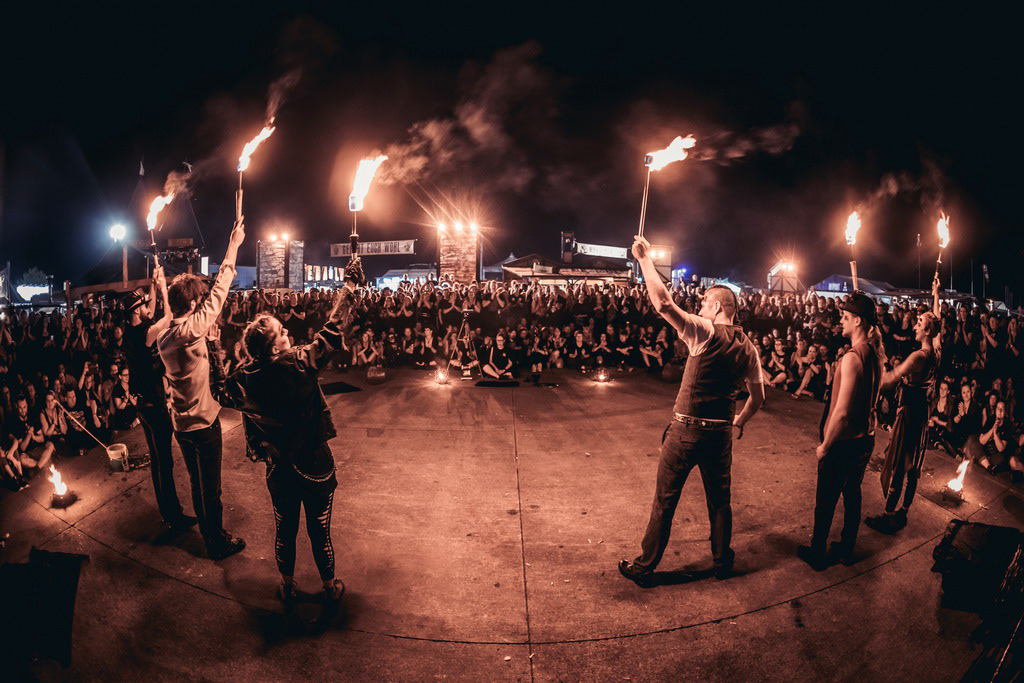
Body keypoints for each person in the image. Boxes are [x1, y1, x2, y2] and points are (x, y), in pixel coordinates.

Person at [619, 235, 764, 586]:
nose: (699, 307)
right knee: (720, 502)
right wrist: (739, 420)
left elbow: (663, 304)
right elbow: (758, 397)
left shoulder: (705, 331)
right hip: (720, 435)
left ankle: (644, 567)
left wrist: (644, 259)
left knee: (665, 502)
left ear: (717, 307)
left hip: (686, 432)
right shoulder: (749, 348)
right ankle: (721, 562)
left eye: (703, 303)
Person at [224, 281, 356, 603]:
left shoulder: (242, 379)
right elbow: (332, 331)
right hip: (314, 466)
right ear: (273, 348)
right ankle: (329, 587)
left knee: (285, 530)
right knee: (319, 531)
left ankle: (287, 586)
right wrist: (349, 287)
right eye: (282, 332)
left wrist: (211, 346)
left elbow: (219, 386)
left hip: (279, 468)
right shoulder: (298, 363)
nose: (287, 333)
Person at [156, 218, 246, 561]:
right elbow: (220, 290)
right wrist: (234, 244)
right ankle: (216, 543)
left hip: (181, 424)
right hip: (203, 425)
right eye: (198, 299)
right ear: (193, 304)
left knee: (198, 485)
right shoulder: (189, 331)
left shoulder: (164, 336)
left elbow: (171, 311)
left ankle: (211, 534)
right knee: (211, 489)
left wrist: (161, 286)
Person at [798, 292, 882, 570]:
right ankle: (846, 548)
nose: (841, 320)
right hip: (865, 439)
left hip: (844, 442)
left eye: (846, 316)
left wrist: (825, 445)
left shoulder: (852, 358)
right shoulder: (875, 353)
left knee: (825, 501)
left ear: (858, 321)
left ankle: (817, 553)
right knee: (852, 493)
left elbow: (842, 412)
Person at [124, 269, 196, 533]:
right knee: (164, 461)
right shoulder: (144, 334)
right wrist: (165, 288)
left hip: (143, 405)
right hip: (154, 406)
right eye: (143, 305)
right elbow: (167, 317)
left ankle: (167, 511)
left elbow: (152, 310)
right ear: (136, 311)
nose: (148, 307)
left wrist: (153, 285)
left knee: (157, 460)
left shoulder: (133, 329)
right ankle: (173, 516)